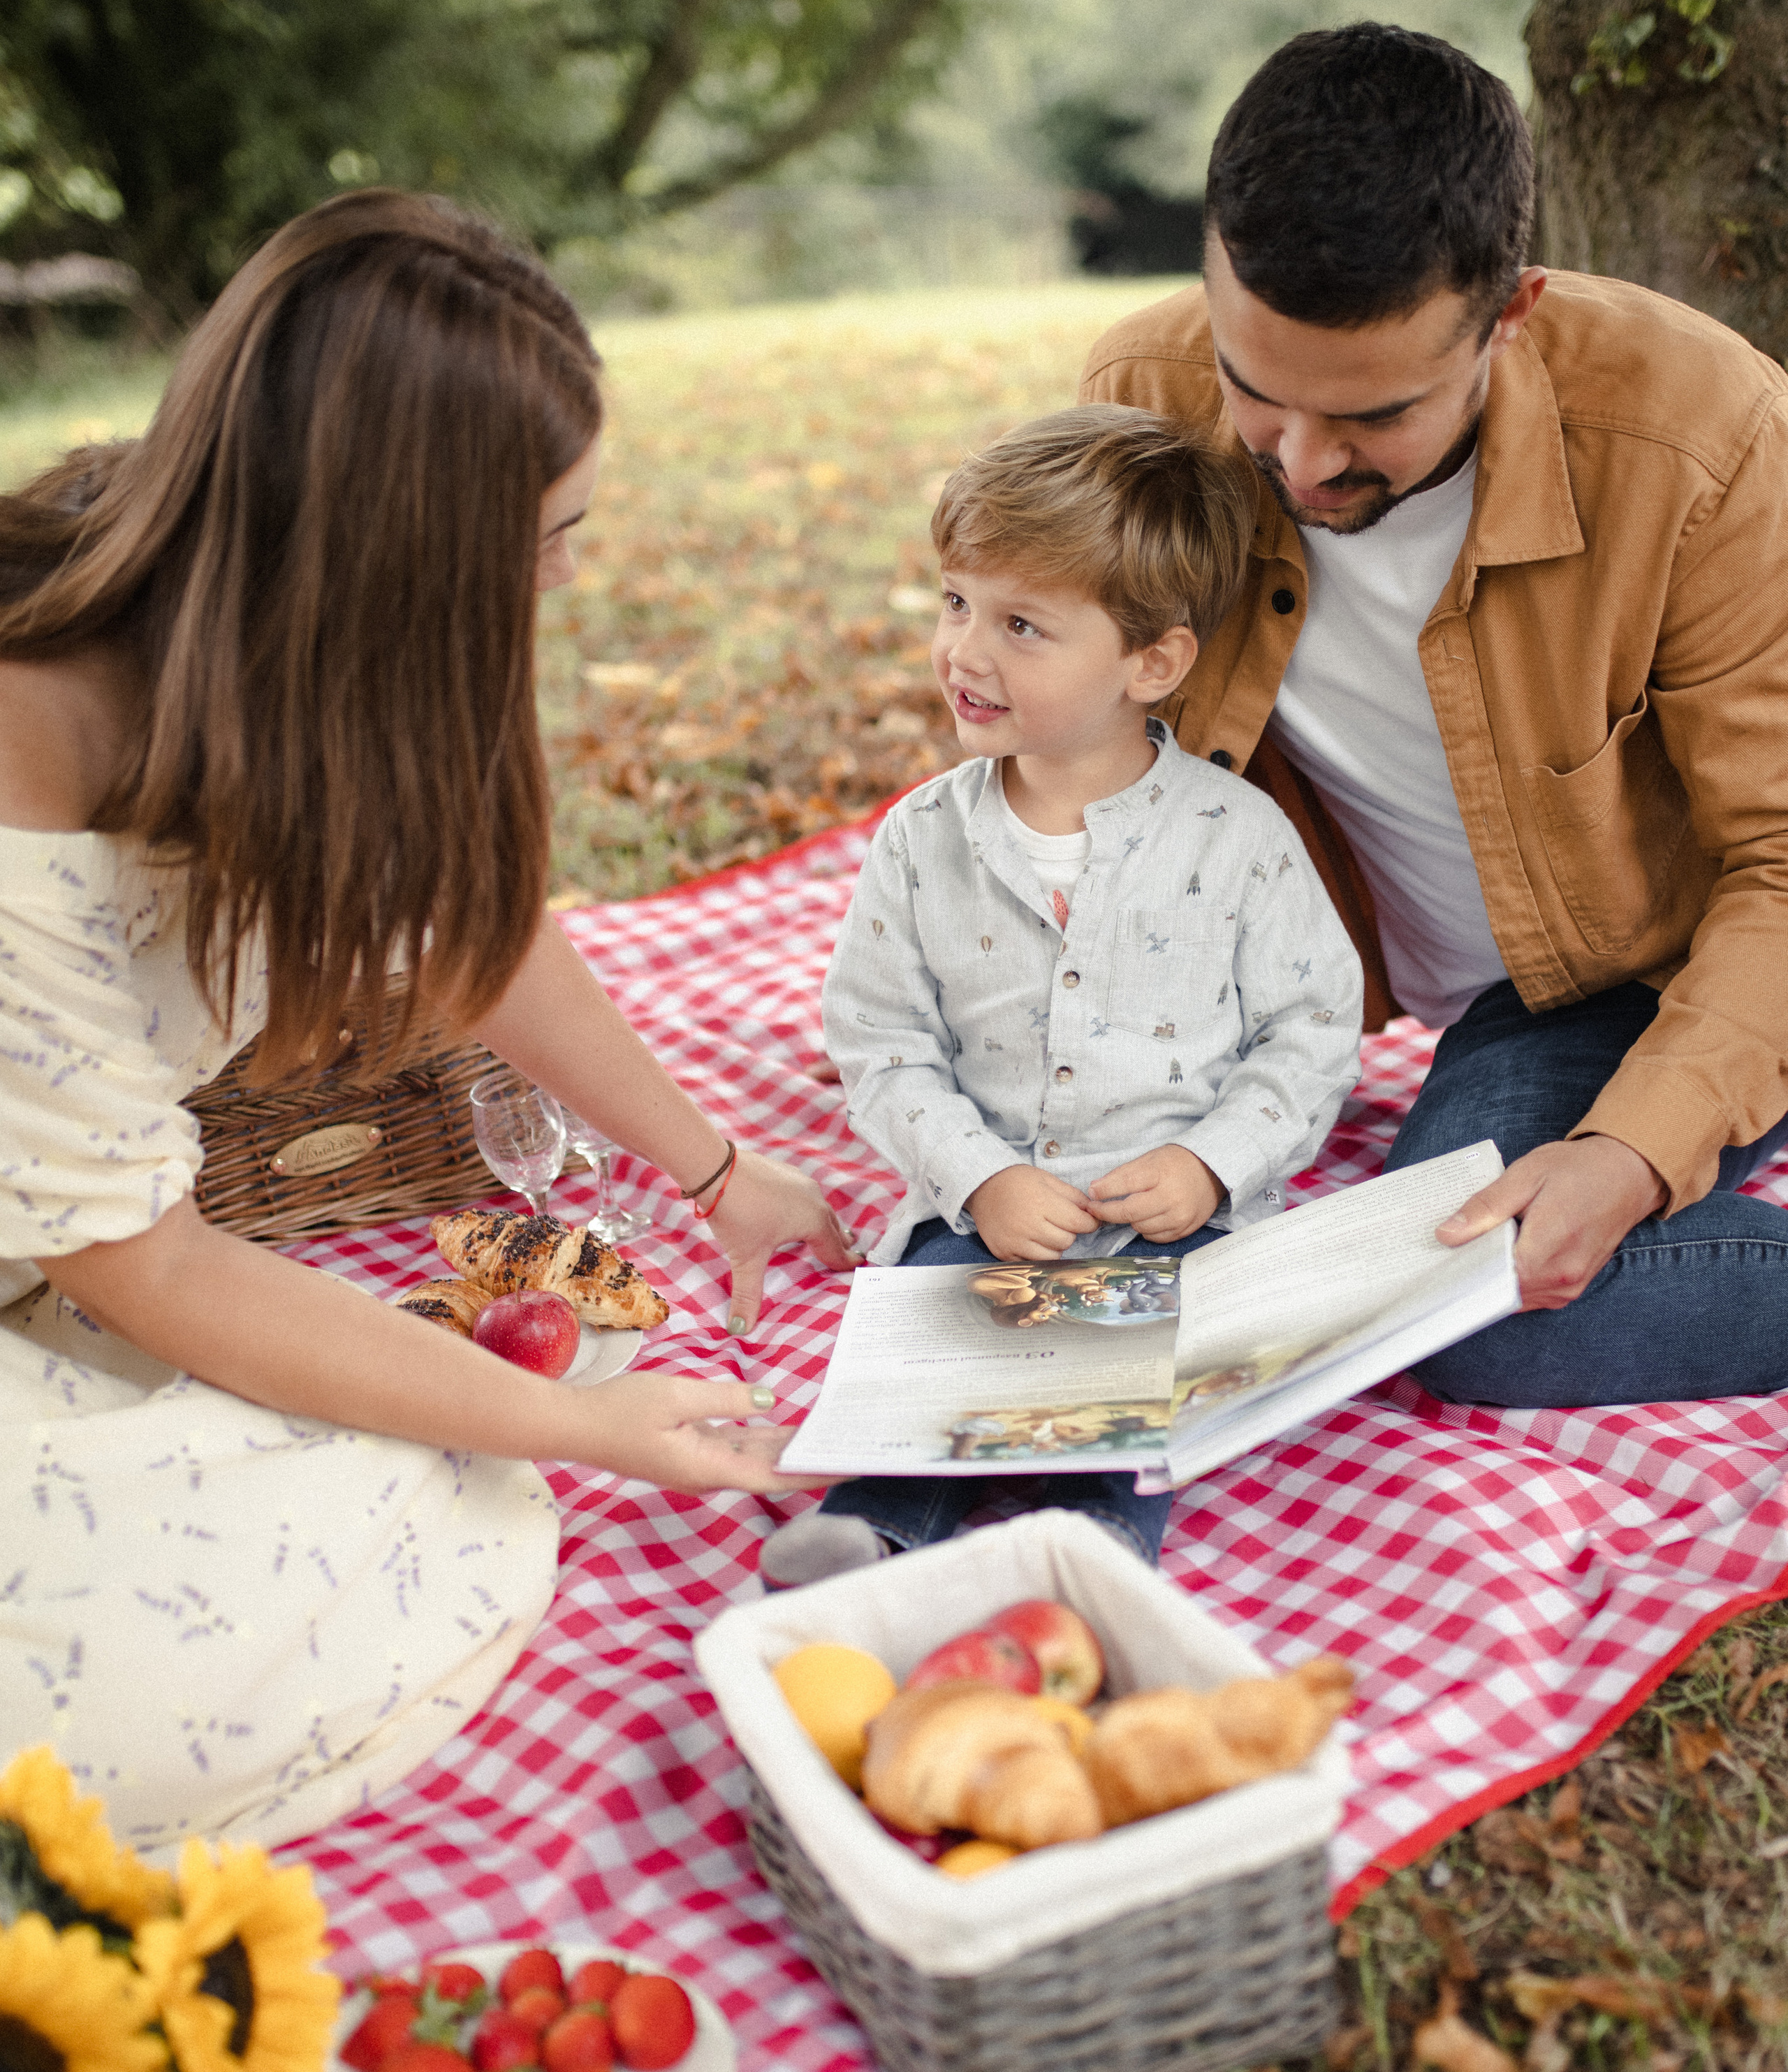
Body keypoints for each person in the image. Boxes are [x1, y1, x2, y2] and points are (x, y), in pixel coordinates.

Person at [0, 189, 853, 1853]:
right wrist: (586, 1426)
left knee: (413, 1480)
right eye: (548, 539)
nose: (566, 578)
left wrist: (714, 1169)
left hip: (71, 1262)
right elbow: (154, 1269)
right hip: (93, 1267)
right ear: (409, 562)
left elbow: (463, 920)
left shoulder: (247, 610)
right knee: (297, 1600)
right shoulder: (28, 774)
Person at [1080, 20, 1788, 1408]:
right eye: (1254, 391)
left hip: (1656, 976)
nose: (1295, 460)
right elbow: (1087, 759)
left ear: (1507, 312)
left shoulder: (1701, 437)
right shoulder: (1138, 406)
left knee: (1479, 1319)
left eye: (1370, 418)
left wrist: (1633, 1152)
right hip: (1434, 1009)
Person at [763, 406, 1363, 1581]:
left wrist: (1213, 1164)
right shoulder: (921, 838)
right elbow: (880, 1041)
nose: (964, 653)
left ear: (1154, 662)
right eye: (956, 604)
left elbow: (1311, 1033)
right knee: (938, 1344)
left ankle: (1089, 1556)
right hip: (986, 1210)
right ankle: (877, 1530)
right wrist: (980, 1177)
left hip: (1168, 1226)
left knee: (1140, 1379)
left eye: (1021, 625)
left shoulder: (1238, 840)